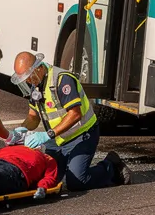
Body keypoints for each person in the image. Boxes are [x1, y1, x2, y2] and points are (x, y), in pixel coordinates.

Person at [10, 51, 130, 190]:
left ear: (38, 68)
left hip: (82, 135)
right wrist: (21, 129)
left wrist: (47, 135)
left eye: (28, 77)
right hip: (58, 139)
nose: (27, 81)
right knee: (47, 179)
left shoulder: (62, 80)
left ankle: (111, 167)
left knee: (77, 182)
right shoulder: (35, 85)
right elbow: (33, 117)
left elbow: (75, 114)